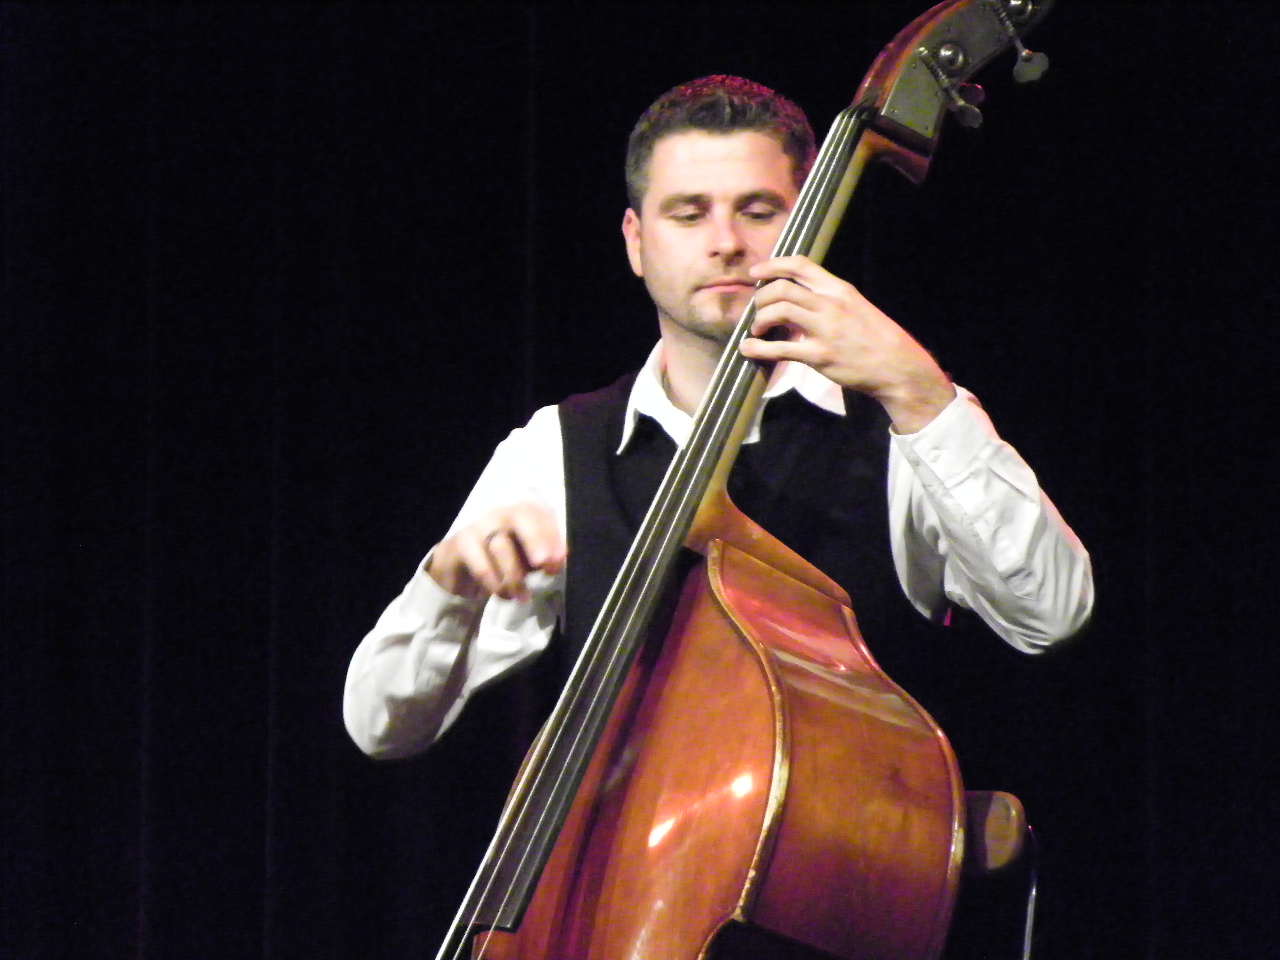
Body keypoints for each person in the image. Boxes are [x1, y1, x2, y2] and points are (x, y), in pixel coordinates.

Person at [343, 75, 1092, 762]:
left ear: (809, 226)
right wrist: (450, 582)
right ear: (637, 242)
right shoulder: (556, 450)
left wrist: (920, 391)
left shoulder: (909, 419)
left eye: (758, 211)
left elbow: (1051, 617)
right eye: (688, 213)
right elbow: (380, 725)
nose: (727, 243)